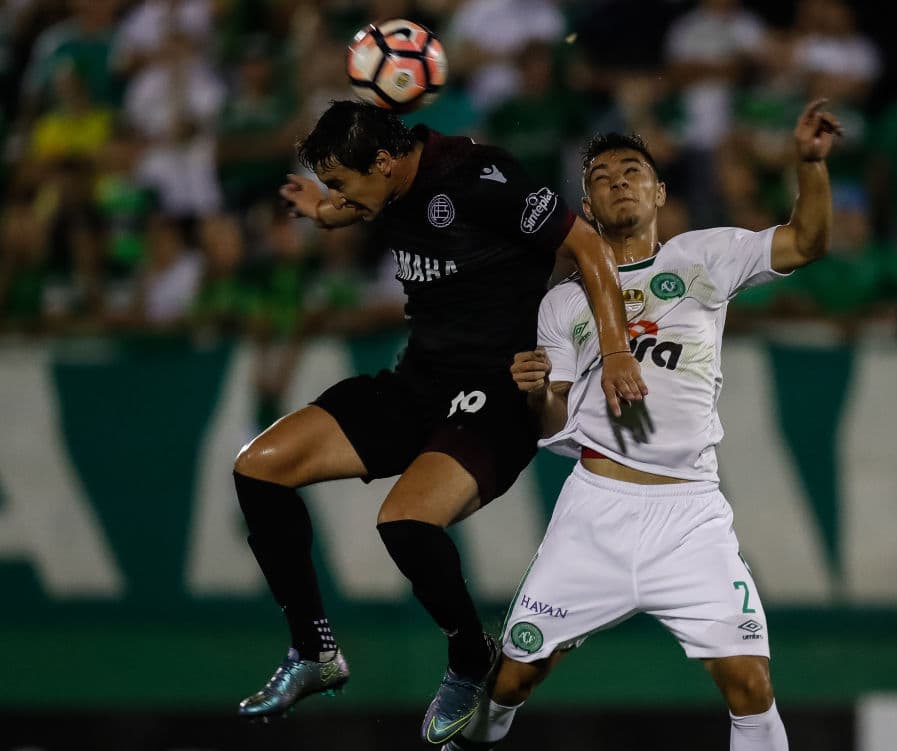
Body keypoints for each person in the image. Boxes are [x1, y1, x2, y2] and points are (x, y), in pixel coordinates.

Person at [232, 100, 647, 744]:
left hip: (498, 393)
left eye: (340, 182)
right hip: (418, 382)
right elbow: (362, 203)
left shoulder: (480, 180)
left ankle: (470, 655)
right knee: (259, 468)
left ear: (383, 161)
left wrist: (616, 350)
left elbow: (587, 245)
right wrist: (324, 210)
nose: (339, 195)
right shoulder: (388, 180)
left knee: (404, 521)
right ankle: (314, 652)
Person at [445, 99, 840, 751]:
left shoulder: (704, 256)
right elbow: (552, 420)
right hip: (596, 509)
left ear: (659, 192)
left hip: (689, 515)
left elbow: (807, 241)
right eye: (601, 178)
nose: (618, 182)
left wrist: (809, 164)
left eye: (632, 171)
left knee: (750, 684)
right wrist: (537, 390)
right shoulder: (564, 302)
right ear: (587, 207)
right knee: (513, 678)